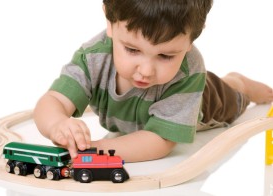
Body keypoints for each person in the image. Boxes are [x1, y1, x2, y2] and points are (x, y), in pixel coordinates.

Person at [33, 0, 273, 162]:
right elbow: (54, 100)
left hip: (208, 99)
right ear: (109, 20)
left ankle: (239, 83)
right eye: (131, 49)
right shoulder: (93, 56)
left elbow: (159, 141)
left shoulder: (189, 72)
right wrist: (57, 123)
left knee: (230, 93)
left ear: (191, 41)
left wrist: (94, 149)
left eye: (165, 55)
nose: (145, 70)